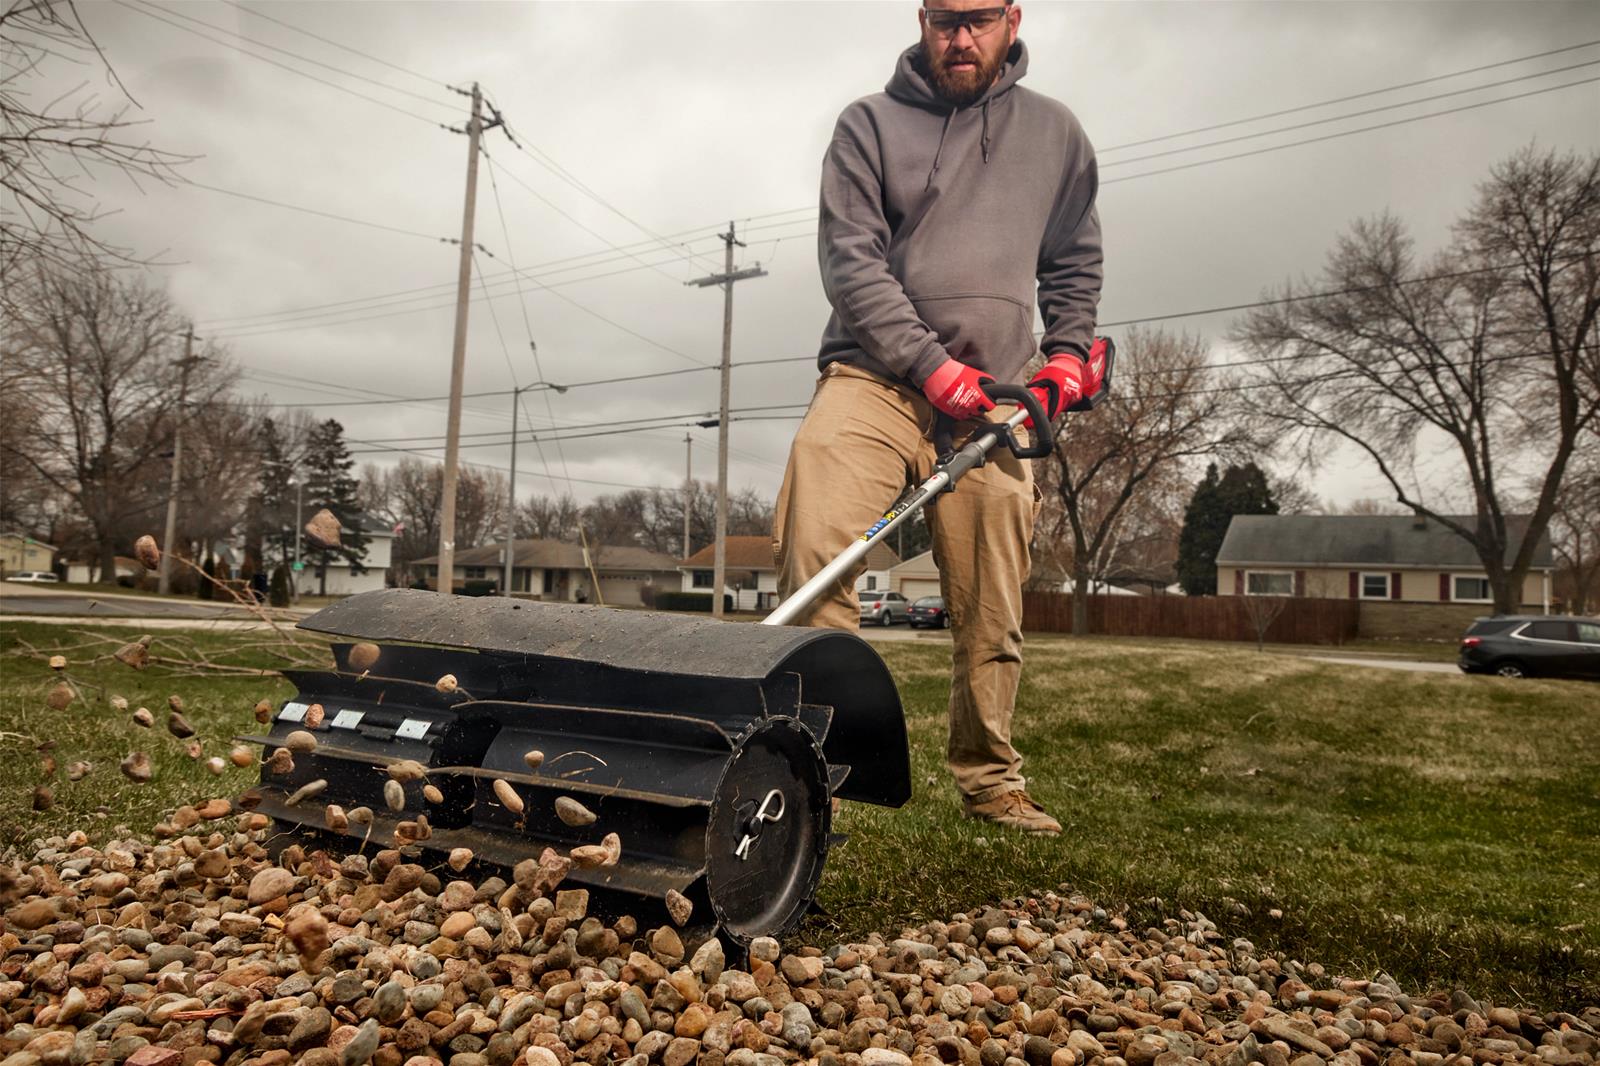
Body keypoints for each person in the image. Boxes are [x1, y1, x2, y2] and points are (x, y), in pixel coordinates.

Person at [772, 0, 1107, 835]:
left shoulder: (1056, 134)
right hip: (875, 379)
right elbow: (850, 263)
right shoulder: (868, 126)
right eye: (945, 19)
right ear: (922, 19)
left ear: (1012, 18)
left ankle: (991, 779)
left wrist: (1069, 351)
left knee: (994, 597)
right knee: (816, 546)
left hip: (993, 401)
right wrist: (930, 366)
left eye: (980, 18)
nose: (962, 38)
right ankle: (811, 773)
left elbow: (1074, 261)